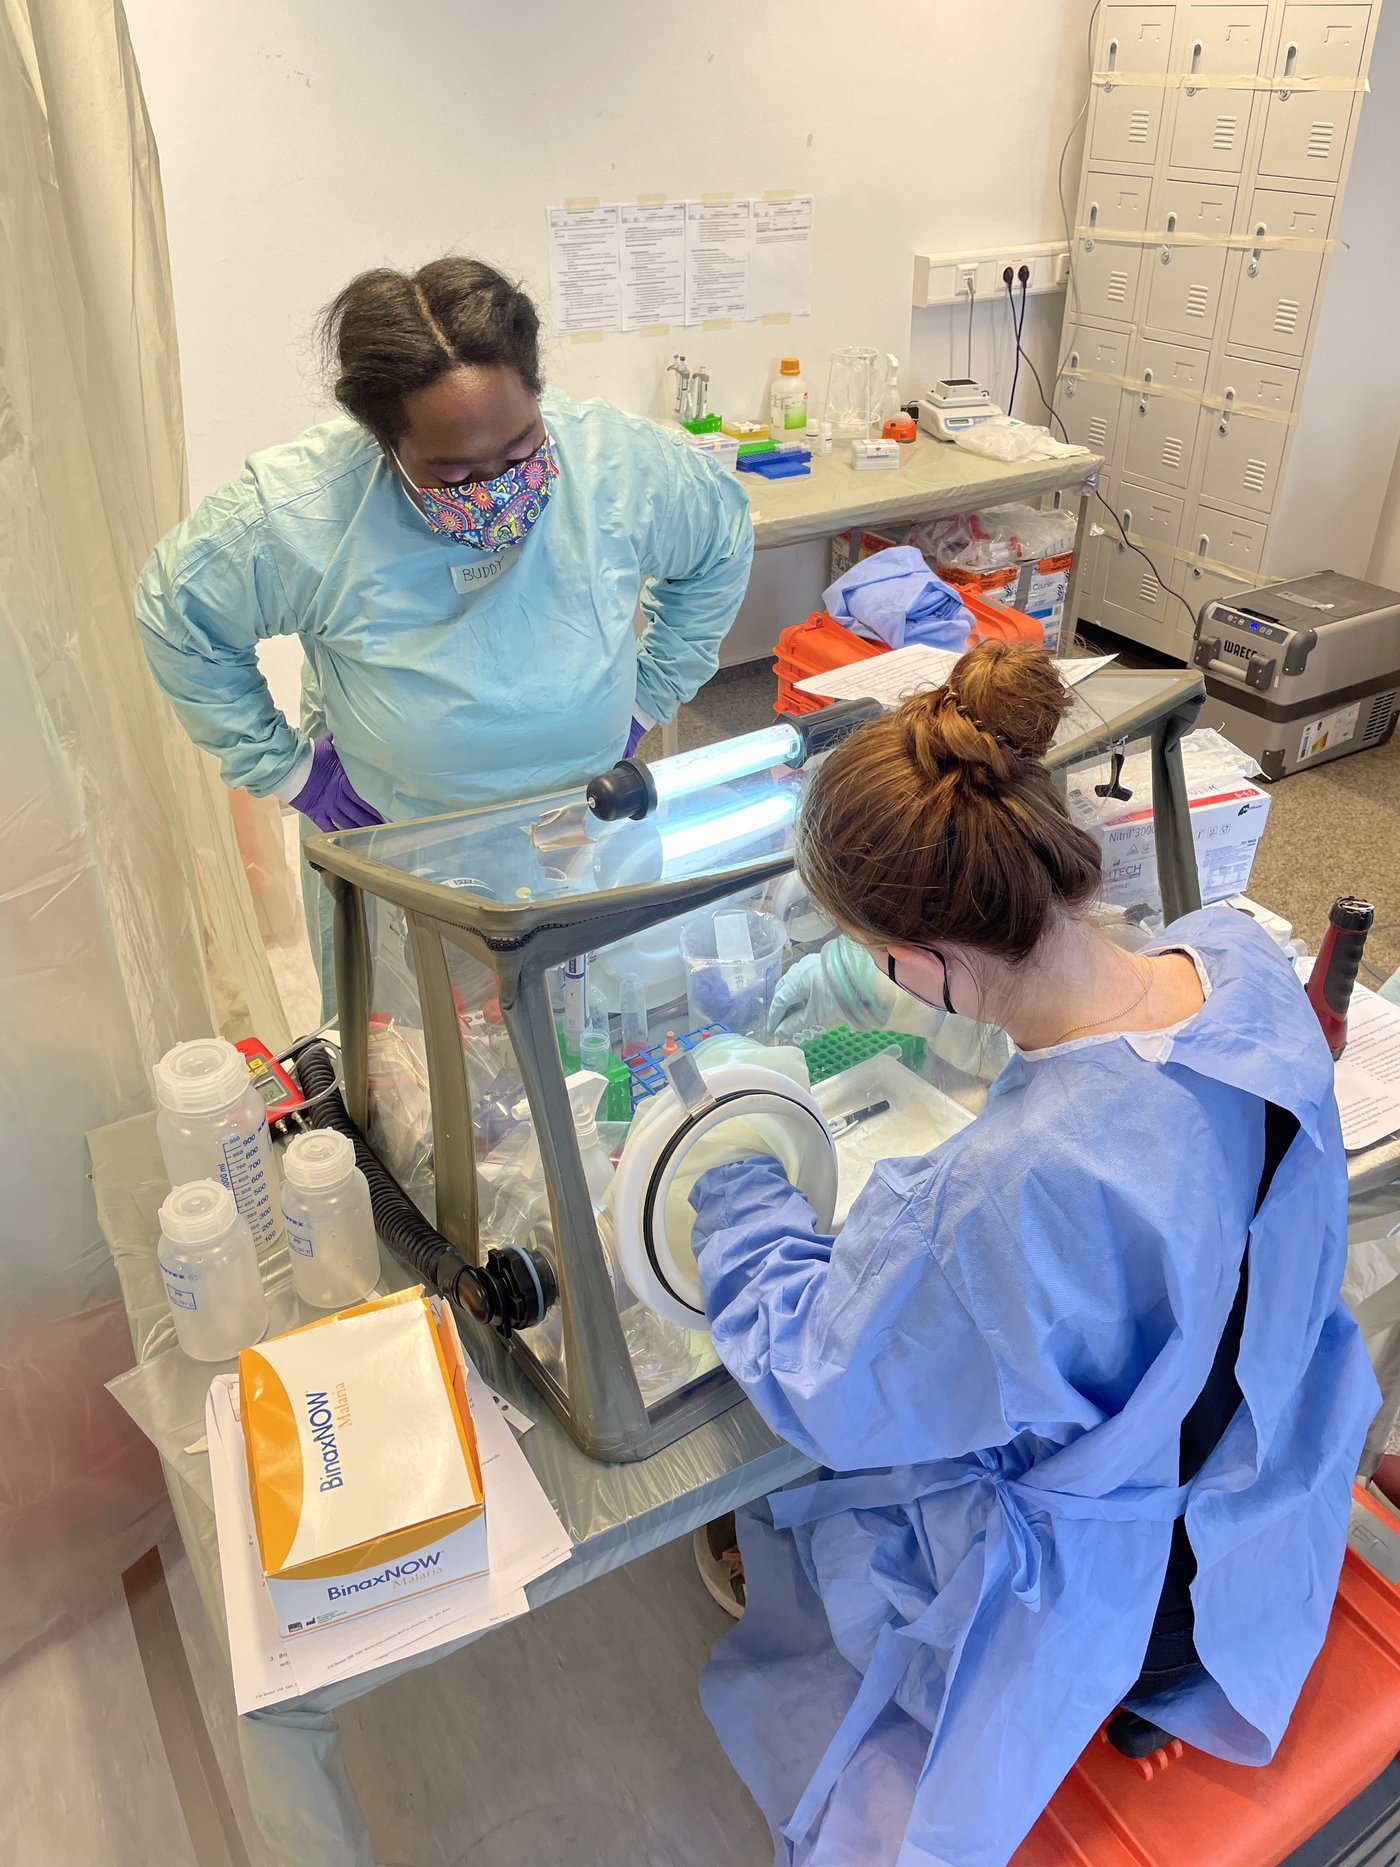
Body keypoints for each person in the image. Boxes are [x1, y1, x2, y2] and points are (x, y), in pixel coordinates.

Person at [687, 642, 1379, 1867]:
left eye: (868, 954)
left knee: (812, 1508)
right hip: (1269, 1500)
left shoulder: (999, 1192)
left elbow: (826, 1379)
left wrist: (730, 1180)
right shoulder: (1237, 960)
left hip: (1130, 1610)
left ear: (914, 961)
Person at [136, 257, 753, 999]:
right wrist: (293, 774)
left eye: (521, 450)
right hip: (403, 852)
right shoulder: (313, 512)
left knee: (585, 1041)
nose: (496, 489)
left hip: (582, 823)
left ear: (538, 393)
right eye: (455, 475)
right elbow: (178, 614)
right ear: (385, 443)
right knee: (422, 1073)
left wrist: (647, 698)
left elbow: (720, 538)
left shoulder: (614, 466)